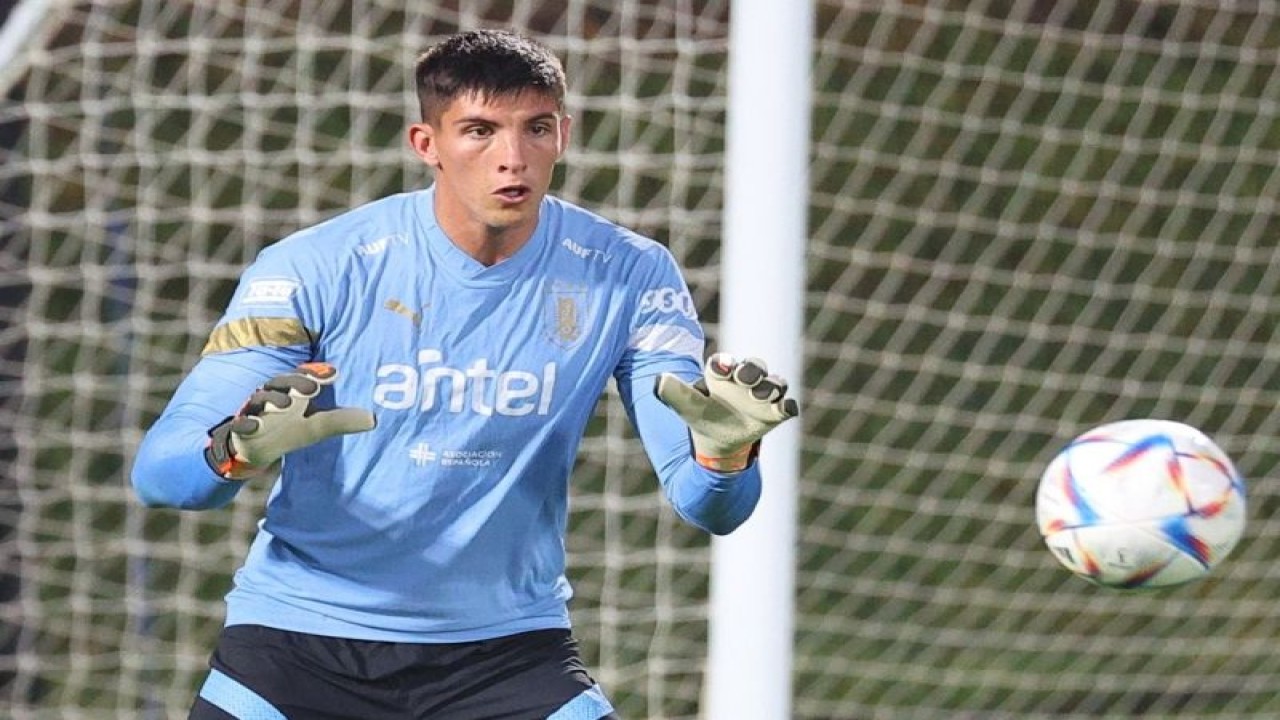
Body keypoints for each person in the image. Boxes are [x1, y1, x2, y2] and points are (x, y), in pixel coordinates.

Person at [131, 28, 798, 720]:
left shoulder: (628, 273)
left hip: (506, 654)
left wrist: (724, 456)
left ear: (563, 134)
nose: (512, 159)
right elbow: (159, 476)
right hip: (299, 650)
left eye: (534, 129)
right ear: (428, 144)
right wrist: (232, 450)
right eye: (479, 131)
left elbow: (708, 506)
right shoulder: (315, 267)